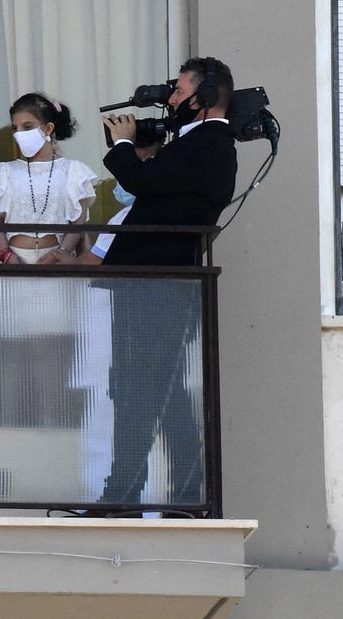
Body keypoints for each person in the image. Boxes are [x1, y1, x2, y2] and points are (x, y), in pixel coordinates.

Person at [97, 56, 239, 511]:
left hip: (158, 284)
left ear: (206, 98)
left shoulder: (212, 143)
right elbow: (160, 186)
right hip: (151, 283)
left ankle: (137, 496)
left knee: (143, 390)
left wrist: (122, 144)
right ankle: (169, 494)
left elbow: (141, 181)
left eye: (178, 92)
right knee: (156, 390)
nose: (171, 100)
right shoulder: (195, 144)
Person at [0, 94, 97, 264]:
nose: (19, 134)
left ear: (48, 129)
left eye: (27, 126)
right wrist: (6, 255)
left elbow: (78, 223)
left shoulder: (74, 171)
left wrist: (58, 255)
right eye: (15, 128)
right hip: (14, 261)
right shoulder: (5, 172)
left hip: (57, 262)